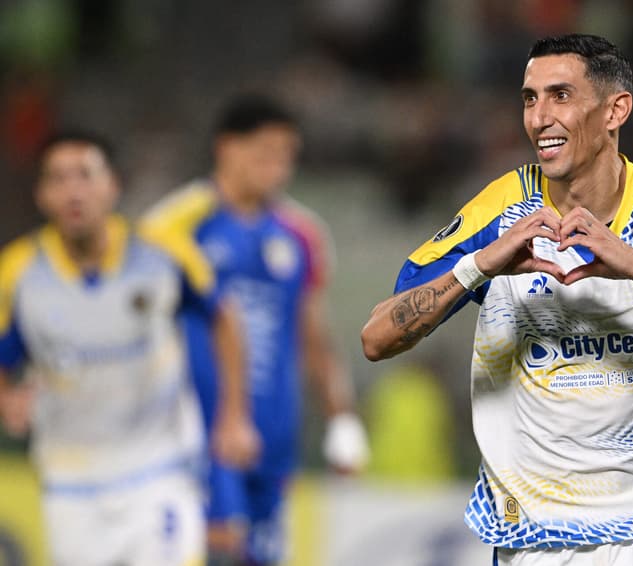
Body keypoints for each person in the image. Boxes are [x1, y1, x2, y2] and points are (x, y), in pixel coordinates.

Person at [361, 33, 633, 565]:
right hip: (539, 538)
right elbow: (377, 337)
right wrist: (481, 265)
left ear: (616, 110)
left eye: (560, 95)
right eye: (529, 98)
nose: (539, 117)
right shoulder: (500, 210)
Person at [0, 130, 257, 566]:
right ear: (42, 194)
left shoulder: (162, 253)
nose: (73, 190)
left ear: (113, 185)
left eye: (85, 175)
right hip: (71, 481)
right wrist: (8, 399)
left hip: (160, 470)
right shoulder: (19, 273)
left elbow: (224, 317)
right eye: (58, 179)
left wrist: (235, 415)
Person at [142, 94, 369, 566]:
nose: (278, 168)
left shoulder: (301, 234)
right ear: (227, 148)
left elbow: (314, 336)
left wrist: (341, 418)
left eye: (287, 156)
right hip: (199, 434)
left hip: (274, 437)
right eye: (265, 153)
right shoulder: (182, 224)